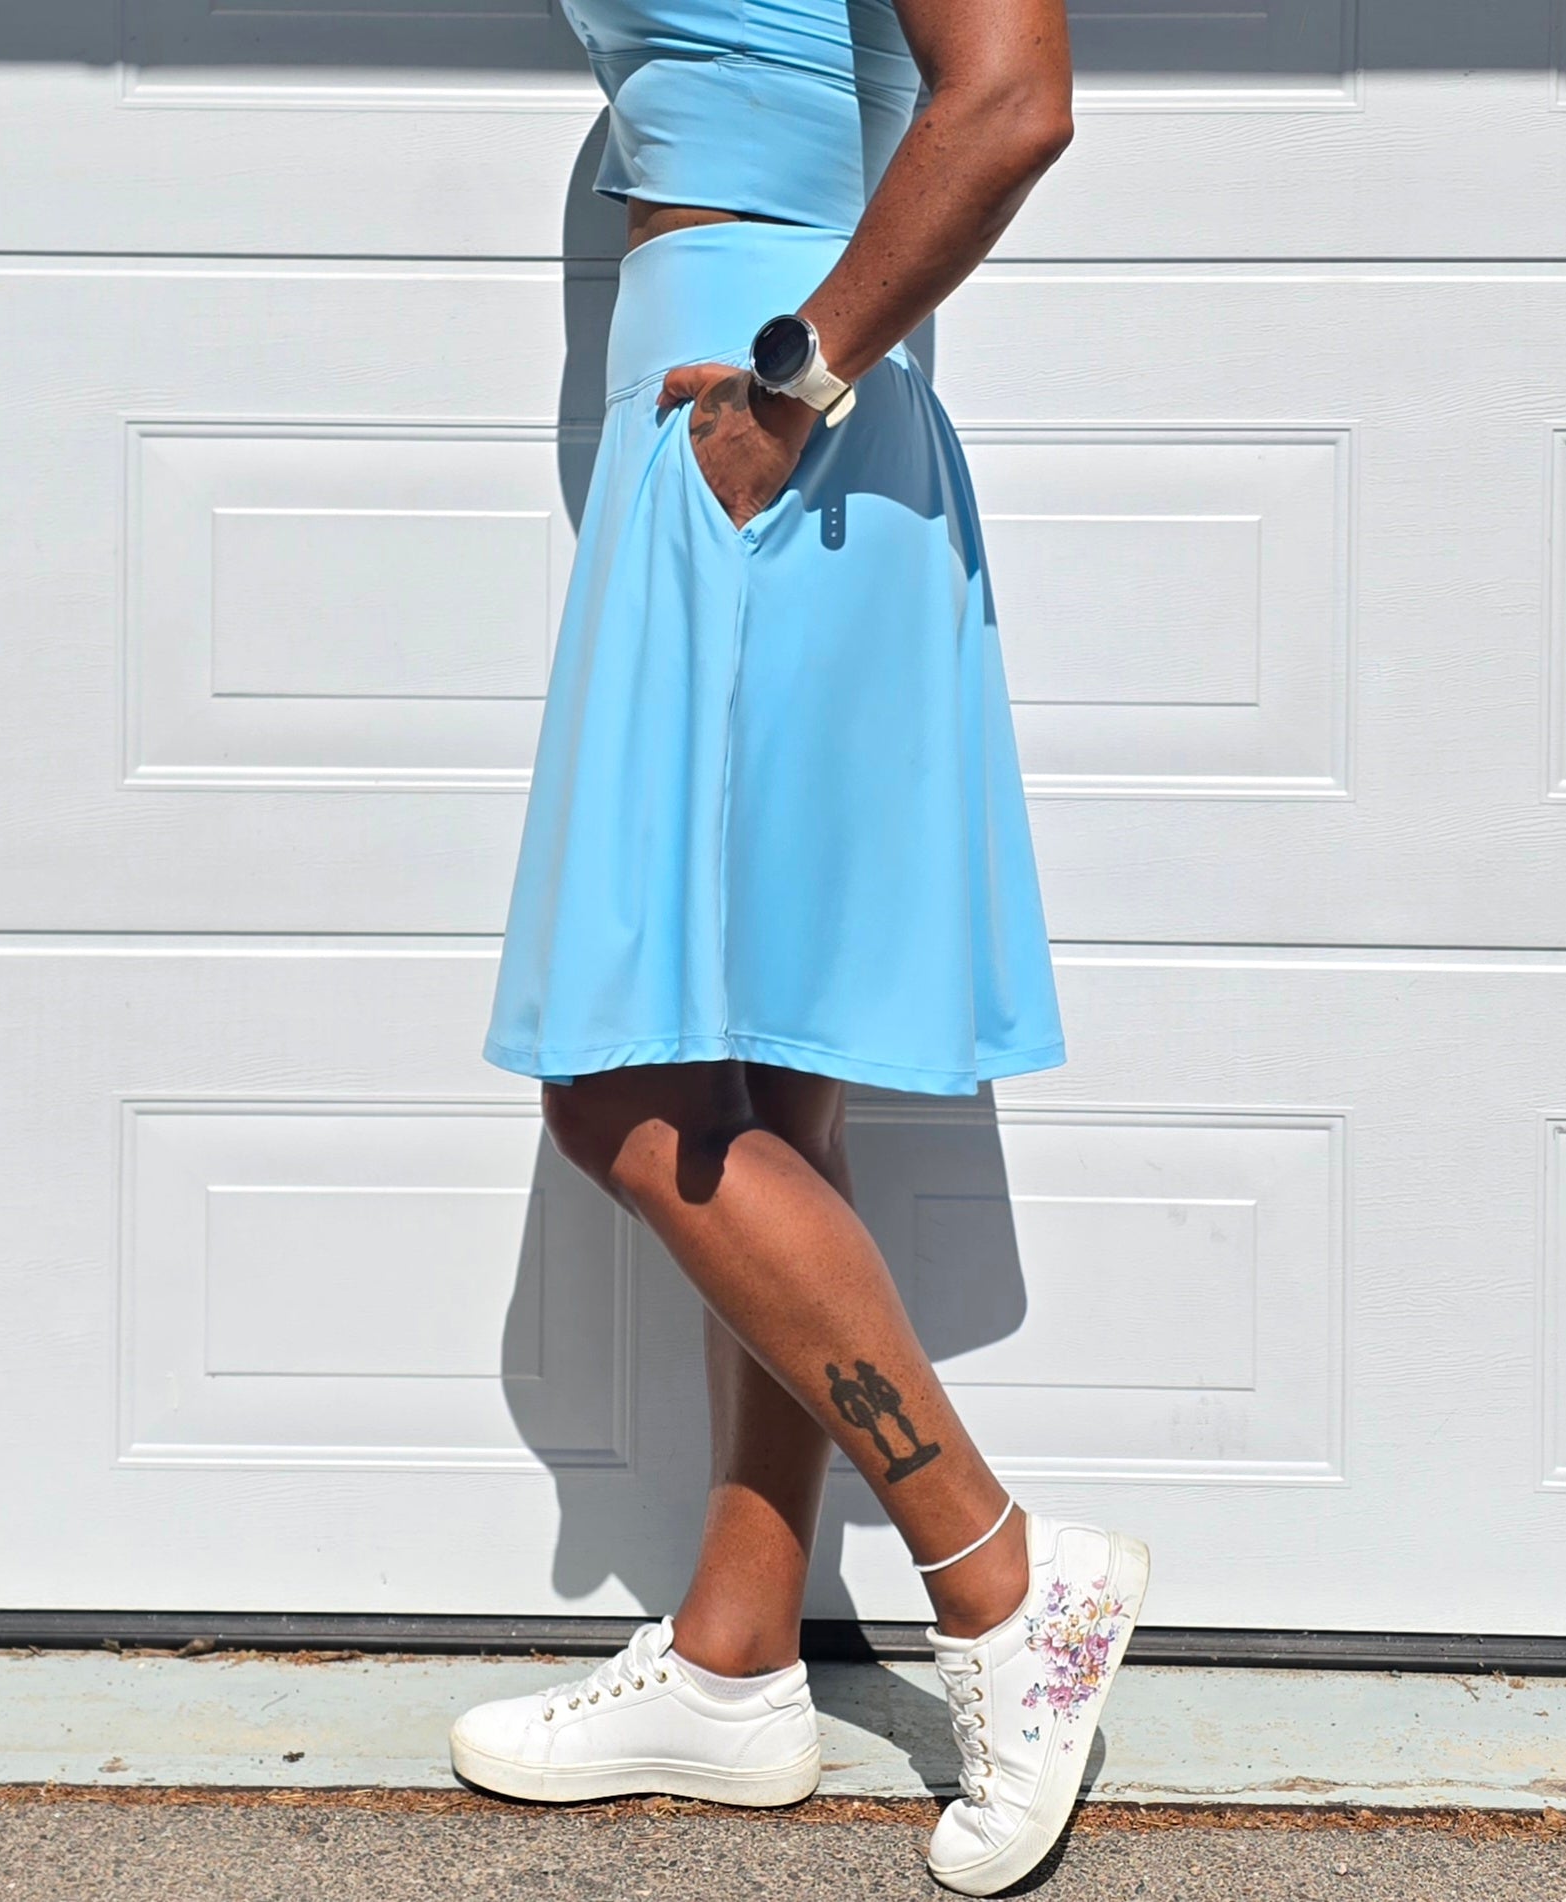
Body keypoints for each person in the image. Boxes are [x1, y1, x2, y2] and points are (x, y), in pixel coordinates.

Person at [453, 0, 1152, 1890]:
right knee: (754, 1073)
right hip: (749, 423)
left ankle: (999, 1575)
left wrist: (787, 389)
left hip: (770, 426)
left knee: (620, 1090)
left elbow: (1008, 99)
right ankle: (733, 1657)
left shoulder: (775, 400)